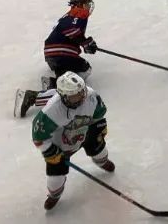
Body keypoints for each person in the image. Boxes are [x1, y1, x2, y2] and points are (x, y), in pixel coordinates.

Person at [31, 72, 114, 210]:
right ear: (64, 97)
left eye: (82, 92)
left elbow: (98, 115)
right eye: (76, 96)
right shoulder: (51, 111)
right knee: (55, 177)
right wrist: (50, 152)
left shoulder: (91, 96)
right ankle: (54, 195)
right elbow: (39, 137)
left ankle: (102, 161)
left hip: (85, 132)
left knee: (99, 148)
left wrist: (100, 127)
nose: (82, 97)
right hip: (61, 146)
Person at [14, 0, 98, 118]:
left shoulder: (70, 15)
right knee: (78, 81)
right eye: (87, 4)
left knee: (70, 78)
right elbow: (70, 29)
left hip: (54, 53)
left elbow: (69, 32)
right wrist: (85, 42)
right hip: (63, 52)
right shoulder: (78, 13)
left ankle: (53, 84)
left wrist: (85, 43)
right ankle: (31, 97)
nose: (88, 7)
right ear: (80, 4)